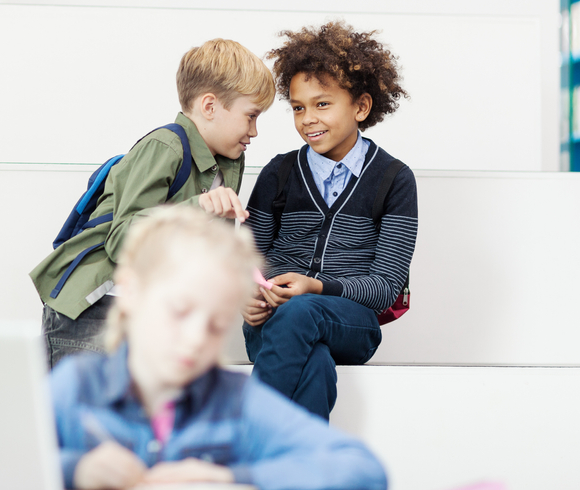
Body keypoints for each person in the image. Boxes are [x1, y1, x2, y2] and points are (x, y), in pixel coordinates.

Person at [48, 206, 389, 490]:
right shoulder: (75, 386)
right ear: (132, 291)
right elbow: (2, 457)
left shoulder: (238, 402)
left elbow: (362, 469)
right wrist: (75, 469)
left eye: (216, 325)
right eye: (180, 311)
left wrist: (232, 477)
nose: (197, 338)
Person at [30, 38, 276, 368]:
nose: (255, 131)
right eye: (250, 116)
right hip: (95, 311)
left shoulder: (228, 165)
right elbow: (122, 242)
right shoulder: (166, 147)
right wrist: (200, 206)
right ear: (209, 107)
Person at [242, 20, 418, 420]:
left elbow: (385, 289)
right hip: (272, 325)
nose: (308, 119)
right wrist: (247, 297)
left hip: (351, 324)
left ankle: (245, 436)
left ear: (361, 106)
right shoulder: (278, 173)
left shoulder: (393, 180)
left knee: (304, 310)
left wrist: (316, 287)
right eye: (298, 107)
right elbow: (246, 259)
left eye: (322, 104)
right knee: (315, 365)